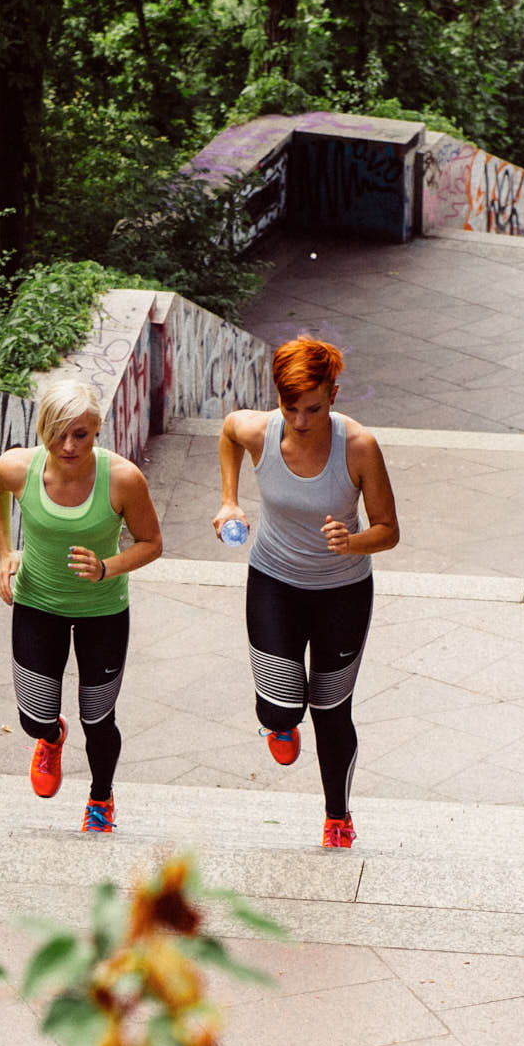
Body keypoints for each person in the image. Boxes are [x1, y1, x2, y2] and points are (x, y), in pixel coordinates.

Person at [212, 336, 399, 849]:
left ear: (334, 395)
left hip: (342, 592)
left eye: (312, 408)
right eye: (289, 407)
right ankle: (279, 723)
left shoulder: (358, 447)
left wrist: (352, 540)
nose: (299, 421)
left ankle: (337, 817)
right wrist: (229, 501)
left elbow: (388, 529)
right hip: (273, 581)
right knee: (280, 710)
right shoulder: (259, 431)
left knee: (331, 709)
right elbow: (228, 432)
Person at [0, 377, 162, 833]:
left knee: (98, 718)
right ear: (42, 428)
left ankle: (101, 799)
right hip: (37, 604)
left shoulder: (121, 479)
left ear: (97, 428)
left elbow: (152, 543)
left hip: (102, 612)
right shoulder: (19, 469)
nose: (67, 445)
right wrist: (5, 553)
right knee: (34, 718)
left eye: (79, 434)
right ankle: (52, 737)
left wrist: (107, 567)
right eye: (56, 433)